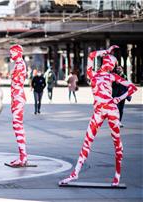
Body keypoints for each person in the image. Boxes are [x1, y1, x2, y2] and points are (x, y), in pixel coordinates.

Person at [59, 45, 137, 186]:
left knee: (114, 142)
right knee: (93, 141)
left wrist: (119, 98)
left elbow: (132, 87)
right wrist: (105, 51)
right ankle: (78, 174)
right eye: (109, 61)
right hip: (103, 110)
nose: (109, 64)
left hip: (108, 109)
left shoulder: (104, 75)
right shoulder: (98, 75)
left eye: (111, 62)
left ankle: (116, 176)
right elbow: (132, 87)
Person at [6, 44, 30, 167]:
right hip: (16, 97)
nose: (10, 54)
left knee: (17, 125)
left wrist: (15, 99)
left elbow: (17, 84)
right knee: (17, 126)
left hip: (18, 97)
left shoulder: (20, 65)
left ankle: (23, 157)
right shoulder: (18, 64)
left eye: (12, 52)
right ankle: (22, 156)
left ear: (18, 52)